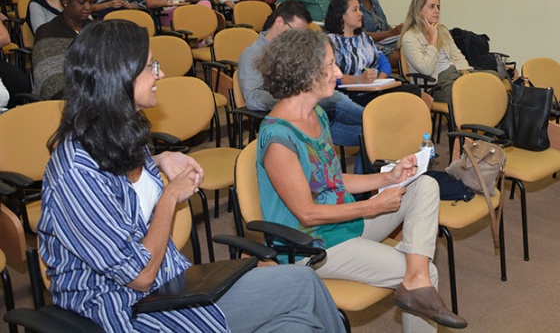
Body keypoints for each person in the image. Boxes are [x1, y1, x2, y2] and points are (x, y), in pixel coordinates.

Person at [37, 19, 345, 332]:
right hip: (126, 309)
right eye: (149, 66)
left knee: (302, 288)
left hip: (174, 283)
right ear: (116, 77)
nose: (160, 73)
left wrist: (158, 160)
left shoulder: (120, 132)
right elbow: (140, 276)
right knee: (299, 321)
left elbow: (118, 185)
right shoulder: (75, 172)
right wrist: (170, 196)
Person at [256, 29, 468, 331]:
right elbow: (308, 212)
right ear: (304, 73)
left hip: (342, 224)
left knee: (423, 185)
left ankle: (414, 279)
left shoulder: (315, 114)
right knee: (429, 273)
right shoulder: (279, 139)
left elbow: (330, 179)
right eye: (330, 66)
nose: (339, 73)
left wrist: (387, 178)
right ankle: (418, 278)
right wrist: (372, 207)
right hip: (310, 245)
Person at [237, 0, 364, 150]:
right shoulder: (252, 54)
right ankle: (379, 121)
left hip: (312, 110)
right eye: (295, 31)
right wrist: (291, 98)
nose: (298, 38)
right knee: (338, 100)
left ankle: (380, 126)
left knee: (367, 135)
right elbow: (252, 98)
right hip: (286, 113)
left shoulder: (295, 49)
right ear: (279, 22)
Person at [324, 0, 429, 108]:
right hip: (351, 95)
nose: (361, 13)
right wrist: (360, 79)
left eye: (360, 9)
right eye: (355, 10)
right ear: (341, 15)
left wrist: (379, 80)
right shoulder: (330, 42)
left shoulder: (364, 38)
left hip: (374, 89)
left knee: (413, 91)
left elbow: (384, 63)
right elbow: (330, 75)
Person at [400, 0, 471, 105]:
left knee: (492, 81)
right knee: (470, 95)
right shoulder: (410, 38)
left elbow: (456, 55)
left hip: (455, 73)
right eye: (432, 7)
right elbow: (426, 69)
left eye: (438, 7)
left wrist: (464, 71)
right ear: (418, 10)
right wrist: (433, 40)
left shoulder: (442, 30)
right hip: (435, 84)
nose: (437, 11)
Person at [32, 0, 93, 100]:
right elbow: (49, 78)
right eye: (82, 2)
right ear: (65, 1)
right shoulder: (46, 32)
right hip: (63, 100)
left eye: (91, 2)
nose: (88, 7)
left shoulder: (96, 30)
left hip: (99, 95)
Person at [351, 0, 403, 68]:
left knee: (410, 47)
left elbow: (385, 25)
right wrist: (390, 33)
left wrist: (398, 31)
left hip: (386, 41)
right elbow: (360, 34)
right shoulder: (354, 4)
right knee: (399, 57)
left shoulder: (374, 2)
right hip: (367, 44)